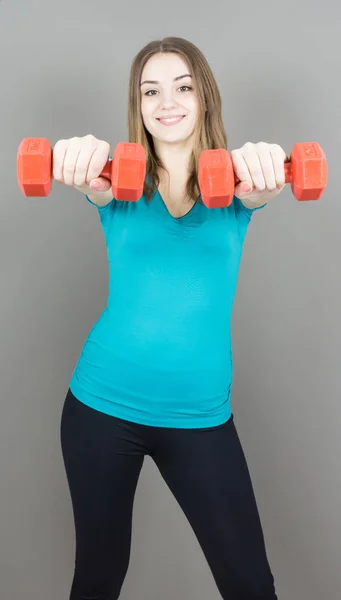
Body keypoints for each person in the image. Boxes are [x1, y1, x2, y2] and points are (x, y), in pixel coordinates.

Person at [57, 36, 286, 599]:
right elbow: (89, 170)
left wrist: (266, 156)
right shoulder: (115, 181)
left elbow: (265, 181)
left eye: (183, 87)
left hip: (200, 417)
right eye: (150, 91)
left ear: (204, 96)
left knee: (250, 586)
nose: (167, 102)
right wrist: (77, 151)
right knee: (98, 579)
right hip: (100, 409)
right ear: (137, 106)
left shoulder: (239, 185)